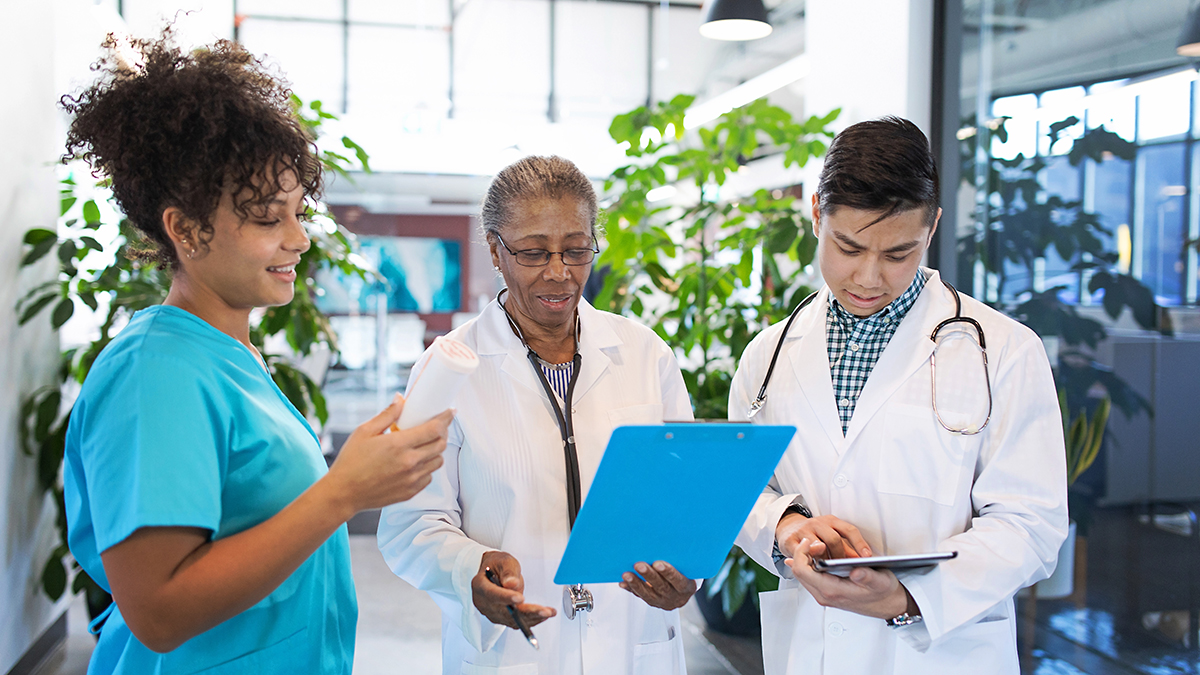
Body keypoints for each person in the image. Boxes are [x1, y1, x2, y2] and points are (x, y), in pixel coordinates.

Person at [60, 33, 452, 674]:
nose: (299, 239)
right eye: (269, 218)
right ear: (185, 229)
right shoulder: (154, 373)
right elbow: (158, 612)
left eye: (299, 213)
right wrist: (343, 493)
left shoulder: (230, 354)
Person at [729, 117, 1068, 674]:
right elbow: (745, 486)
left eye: (897, 254)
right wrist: (785, 527)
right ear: (817, 213)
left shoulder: (1004, 350)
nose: (868, 277)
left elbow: (1032, 523)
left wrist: (908, 600)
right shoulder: (767, 355)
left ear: (931, 228)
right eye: (848, 246)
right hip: (810, 648)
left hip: (942, 654)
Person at [377, 155, 698, 674]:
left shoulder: (645, 354)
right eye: (532, 252)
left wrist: (686, 573)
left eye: (576, 250)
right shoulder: (448, 368)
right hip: (514, 654)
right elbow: (410, 523)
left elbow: (683, 498)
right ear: (495, 251)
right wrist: (468, 570)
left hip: (631, 644)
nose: (559, 273)